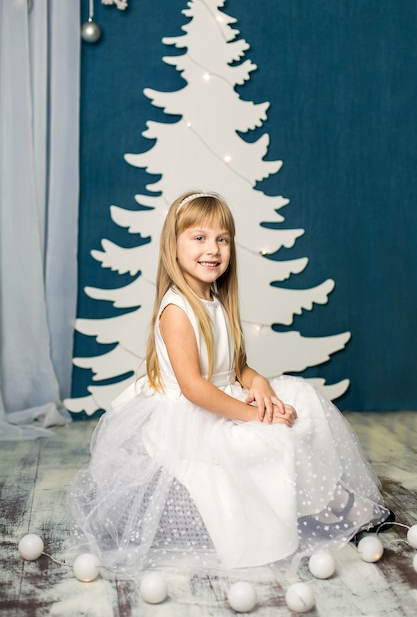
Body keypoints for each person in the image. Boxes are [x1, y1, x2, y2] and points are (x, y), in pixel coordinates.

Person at [68, 191, 391, 576]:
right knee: (271, 438)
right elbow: (194, 388)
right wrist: (254, 416)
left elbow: (237, 367)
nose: (213, 249)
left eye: (222, 239)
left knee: (302, 400)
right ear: (173, 245)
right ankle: (318, 509)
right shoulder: (176, 309)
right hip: (192, 416)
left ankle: (326, 501)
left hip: (226, 397)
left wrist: (260, 387)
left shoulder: (217, 301)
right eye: (199, 238)